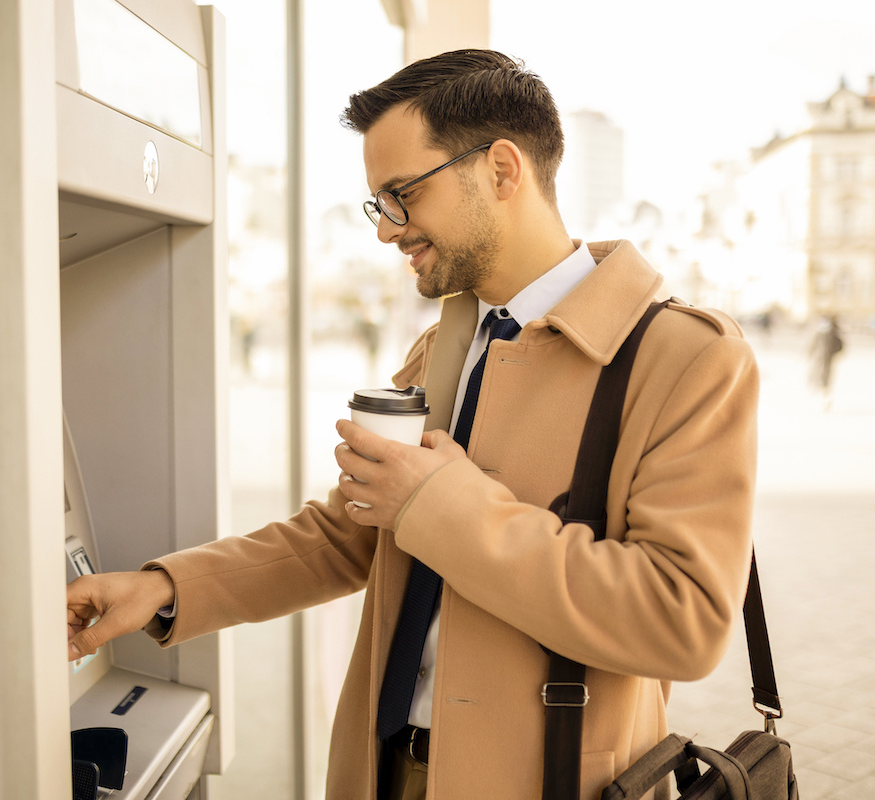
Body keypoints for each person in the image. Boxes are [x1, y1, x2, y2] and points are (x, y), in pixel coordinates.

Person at [67, 49, 759, 800]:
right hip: (384, 771)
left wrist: (441, 504)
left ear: (501, 170)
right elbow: (349, 535)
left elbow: (681, 620)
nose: (386, 230)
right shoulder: (444, 348)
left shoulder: (685, 360)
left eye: (401, 195)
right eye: (378, 203)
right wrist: (163, 588)